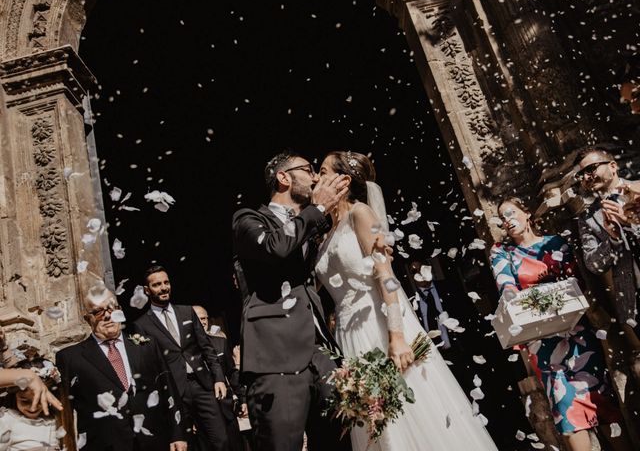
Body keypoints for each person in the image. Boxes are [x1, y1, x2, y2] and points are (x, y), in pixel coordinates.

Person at [314, 150, 498, 451]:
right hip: (349, 336)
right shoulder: (324, 235)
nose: (316, 178)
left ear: (343, 180)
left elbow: (386, 275)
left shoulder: (361, 214)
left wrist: (397, 335)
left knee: (408, 413)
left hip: (378, 322)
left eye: (322, 171)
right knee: (375, 423)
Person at [490, 196, 630, 451]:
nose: (507, 221)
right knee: (566, 409)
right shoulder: (502, 252)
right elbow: (506, 287)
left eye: (511, 213)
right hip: (543, 342)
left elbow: (577, 279)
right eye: (502, 219)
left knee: (602, 401)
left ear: (527, 213)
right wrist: (519, 298)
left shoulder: (556, 243)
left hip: (578, 332)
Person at [232, 150, 351, 451]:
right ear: (283, 178)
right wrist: (318, 207)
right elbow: (277, 248)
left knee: (340, 441)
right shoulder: (248, 220)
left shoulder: (312, 223)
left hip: (322, 353)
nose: (315, 177)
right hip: (275, 355)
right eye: (308, 169)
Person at [56, 291, 186, 451]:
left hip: (155, 441)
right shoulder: (70, 358)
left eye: (112, 308)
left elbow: (169, 390)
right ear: (87, 319)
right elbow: (64, 412)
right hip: (104, 445)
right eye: (98, 312)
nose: (107, 316)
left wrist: (178, 435)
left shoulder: (147, 345)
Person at [134, 265, 229, 450]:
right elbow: (147, 365)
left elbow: (207, 348)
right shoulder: (141, 325)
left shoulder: (187, 312)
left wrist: (218, 378)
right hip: (173, 391)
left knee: (220, 440)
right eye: (157, 285)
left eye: (166, 282)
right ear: (147, 290)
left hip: (202, 385)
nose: (163, 288)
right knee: (185, 444)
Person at [574, 147, 640, 378]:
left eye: (591, 168)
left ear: (612, 166)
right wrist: (611, 239)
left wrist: (631, 224)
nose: (586, 176)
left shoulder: (638, 189)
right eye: (581, 174)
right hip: (634, 300)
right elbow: (593, 263)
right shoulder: (588, 218)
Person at [193, 305, 247, 451]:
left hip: (225, 407)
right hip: (201, 411)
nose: (202, 322)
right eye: (197, 319)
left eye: (204, 318)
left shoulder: (220, 342)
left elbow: (231, 373)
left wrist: (243, 399)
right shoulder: (186, 349)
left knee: (236, 445)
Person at [0, 357, 69, 451]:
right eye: (25, 401)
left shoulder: (55, 420)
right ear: (14, 396)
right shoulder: (6, 420)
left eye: (40, 401)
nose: (33, 408)